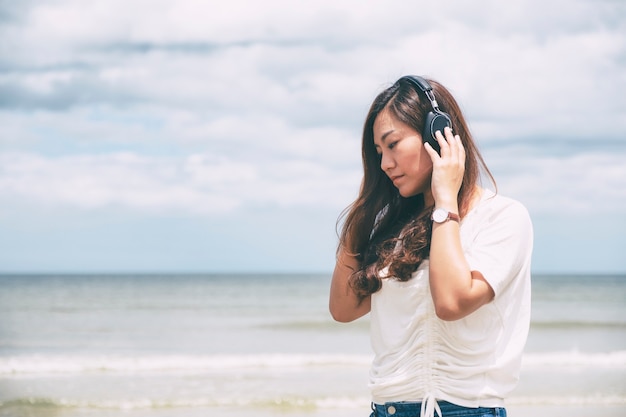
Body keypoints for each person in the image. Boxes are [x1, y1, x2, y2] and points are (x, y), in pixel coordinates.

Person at [329, 75, 533, 417]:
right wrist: (363, 212)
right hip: (387, 409)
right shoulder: (393, 232)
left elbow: (451, 301)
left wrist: (444, 200)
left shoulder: (503, 217)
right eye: (378, 152)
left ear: (437, 134)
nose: (385, 164)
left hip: (466, 409)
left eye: (392, 145)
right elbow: (343, 309)